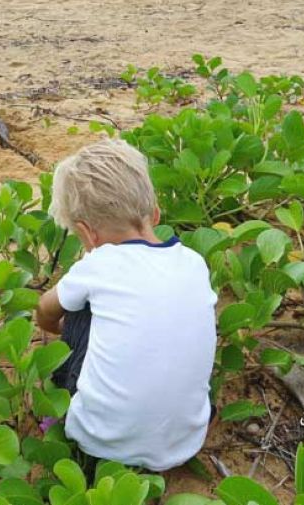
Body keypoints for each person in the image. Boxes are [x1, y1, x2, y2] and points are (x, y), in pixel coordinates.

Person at [36, 138, 217, 472]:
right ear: (156, 213)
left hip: (100, 443)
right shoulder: (194, 263)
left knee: (79, 311)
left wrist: (66, 330)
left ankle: (67, 420)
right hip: (186, 442)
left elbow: (45, 310)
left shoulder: (99, 263)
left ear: (87, 234)